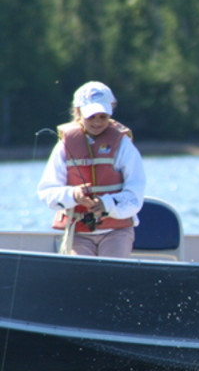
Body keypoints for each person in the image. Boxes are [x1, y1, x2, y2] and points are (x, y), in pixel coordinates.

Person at [38, 81, 146, 258]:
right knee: (81, 275)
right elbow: (47, 192)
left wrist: (106, 204)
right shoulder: (64, 146)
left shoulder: (123, 145)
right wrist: (73, 195)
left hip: (116, 232)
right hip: (78, 233)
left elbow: (135, 195)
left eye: (102, 116)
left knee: (111, 275)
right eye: (91, 116)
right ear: (78, 112)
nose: (97, 122)